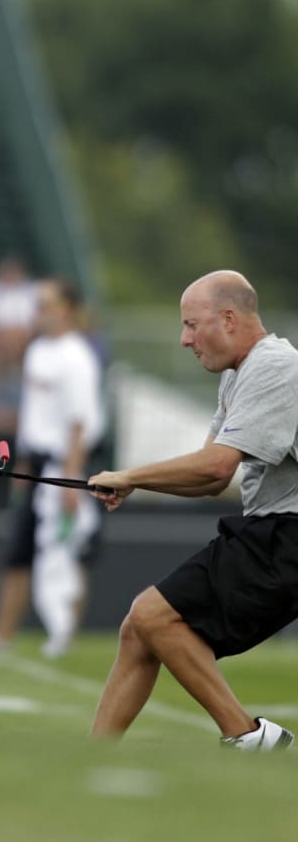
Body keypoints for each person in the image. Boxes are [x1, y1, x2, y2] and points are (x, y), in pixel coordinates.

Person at [88, 271, 297, 750]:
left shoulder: (274, 366)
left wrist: (130, 475)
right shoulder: (239, 374)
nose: (184, 340)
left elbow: (215, 466)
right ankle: (92, 756)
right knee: (140, 629)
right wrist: (135, 485)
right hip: (273, 532)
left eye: (191, 325)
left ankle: (248, 736)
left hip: (287, 534)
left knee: (154, 616)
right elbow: (213, 478)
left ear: (228, 318)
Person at [0, 279, 104, 658]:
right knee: (18, 549)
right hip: (36, 462)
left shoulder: (76, 356)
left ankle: (65, 633)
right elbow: (34, 417)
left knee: (67, 548)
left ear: (66, 308)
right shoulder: (37, 352)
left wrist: (71, 480)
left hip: (65, 464)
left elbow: (80, 422)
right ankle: (2, 634)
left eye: (46, 305)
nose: (38, 312)